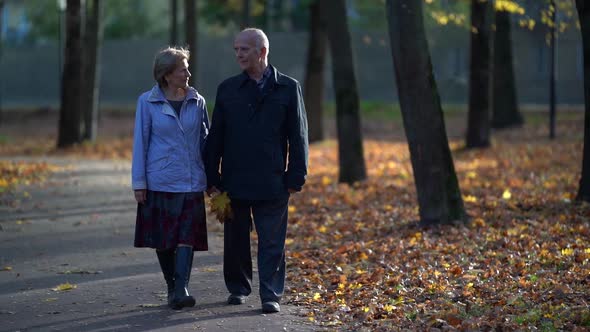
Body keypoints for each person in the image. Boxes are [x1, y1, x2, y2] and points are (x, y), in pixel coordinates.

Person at [205, 28, 309, 314]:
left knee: (272, 242)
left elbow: (298, 136)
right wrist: (211, 177)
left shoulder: (288, 88)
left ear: (261, 52)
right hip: (234, 180)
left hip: (273, 180)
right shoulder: (227, 89)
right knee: (236, 241)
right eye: (236, 49)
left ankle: (270, 295)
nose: (238, 54)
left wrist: (295, 177)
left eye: (244, 49)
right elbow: (216, 136)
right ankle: (238, 289)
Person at [131, 47, 209, 310]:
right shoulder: (147, 102)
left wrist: (214, 179)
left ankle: (182, 288)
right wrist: (139, 182)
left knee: (187, 235)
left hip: (191, 179)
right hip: (160, 180)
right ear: (166, 75)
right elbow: (140, 142)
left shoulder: (198, 100)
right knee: (163, 239)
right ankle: (173, 287)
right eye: (182, 69)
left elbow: (206, 140)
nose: (188, 73)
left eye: (187, 68)